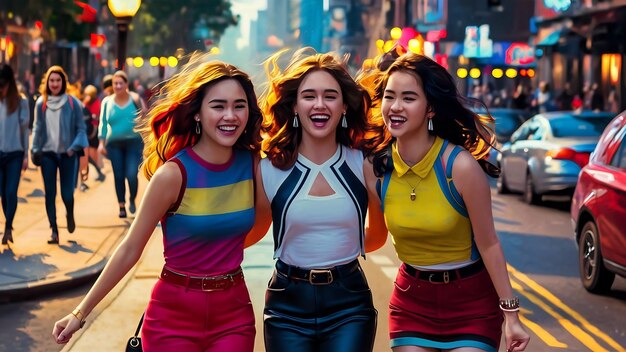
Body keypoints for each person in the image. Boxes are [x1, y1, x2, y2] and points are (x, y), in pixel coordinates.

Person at [52, 55, 264, 351]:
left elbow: (259, 227)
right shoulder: (172, 175)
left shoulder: (255, 167)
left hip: (234, 316)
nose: (230, 115)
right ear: (198, 113)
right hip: (172, 317)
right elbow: (130, 248)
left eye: (238, 106)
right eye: (218, 106)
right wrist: (80, 312)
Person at [362, 53, 530, 352]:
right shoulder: (375, 169)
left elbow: (489, 243)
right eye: (390, 96)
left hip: (472, 303)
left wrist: (511, 314)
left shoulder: (459, 166)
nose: (396, 107)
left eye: (409, 98)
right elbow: (375, 236)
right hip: (411, 301)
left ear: (430, 109)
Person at [246, 47, 387, 352]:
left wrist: (338, 243)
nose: (319, 104)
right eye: (309, 96)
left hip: (349, 302)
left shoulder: (363, 164)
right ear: (294, 106)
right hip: (286, 303)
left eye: (330, 96)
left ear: (345, 106)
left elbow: (376, 236)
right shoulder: (269, 168)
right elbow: (254, 232)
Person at [31, 66, 88, 244]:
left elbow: (81, 129)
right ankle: (54, 231)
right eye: (51, 80)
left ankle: (69, 212)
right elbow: (37, 127)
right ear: (47, 83)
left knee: (67, 194)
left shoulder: (72, 103)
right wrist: (34, 148)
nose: (54, 83)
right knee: (50, 194)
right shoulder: (42, 102)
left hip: (67, 154)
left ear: (63, 82)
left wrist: (73, 147)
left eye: (58, 80)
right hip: (48, 154)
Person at [98, 70, 145, 218]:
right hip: (114, 144)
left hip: (134, 143)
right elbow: (103, 123)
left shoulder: (135, 99)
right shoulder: (107, 102)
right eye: (115, 83)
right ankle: (121, 205)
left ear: (126, 84)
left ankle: (132, 199)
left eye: (121, 83)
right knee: (118, 175)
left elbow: (144, 120)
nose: (118, 86)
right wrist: (101, 143)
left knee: (131, 175)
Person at [0, 64, 30, 245]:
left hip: (15, 154)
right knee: (3, 194)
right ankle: (8, 226)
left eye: (3, 84)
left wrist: (26, 155)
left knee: (11, 192)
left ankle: (8, 227)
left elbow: (24, 130)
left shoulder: (20, 102)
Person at [82, 84, 105, 184]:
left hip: (94, 131)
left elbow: (96, 119)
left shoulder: (97, 103)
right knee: (87, 154)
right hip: (86, 131)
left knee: (92, 153)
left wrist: (94, 131)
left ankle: (97, 171)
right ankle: (95, 172)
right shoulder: (86, 103)